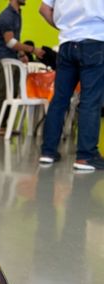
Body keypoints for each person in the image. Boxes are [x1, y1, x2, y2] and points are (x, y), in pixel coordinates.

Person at [39, 0, 104, 171]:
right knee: (90, 100)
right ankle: (86, 156)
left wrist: (67, 28)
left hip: (66, 43)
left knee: (59, 100)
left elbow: (44, 9)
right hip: (96, 41)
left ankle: (48, 152)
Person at [0, 0, 45, 131]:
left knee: (12, 94)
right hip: (5, 60)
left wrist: (21, 54)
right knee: (4, 93)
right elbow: (10, 42)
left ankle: (5, 126)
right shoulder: (7, 16)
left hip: (14, 59)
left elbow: (16, 39)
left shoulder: (17, 13)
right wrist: (33, 50)